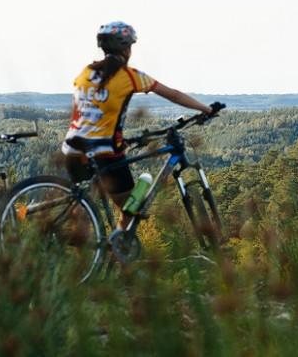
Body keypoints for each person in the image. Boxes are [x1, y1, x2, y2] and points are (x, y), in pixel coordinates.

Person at [62, 21, 216, 231]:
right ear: (127, 49)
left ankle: (90, 257)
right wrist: (206, 110)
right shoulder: (129, 76)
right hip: (104, 151)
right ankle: (120, 244)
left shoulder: (86, 72)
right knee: (130, 206)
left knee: (85, 206)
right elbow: (173, 94)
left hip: (72, 148)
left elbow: (79, 113)